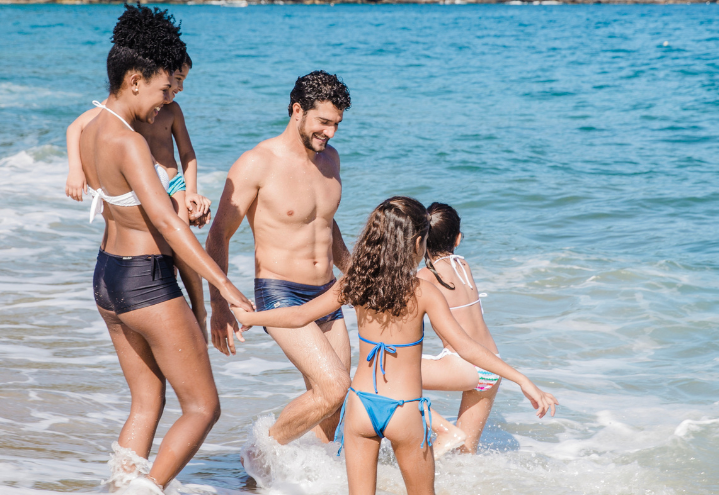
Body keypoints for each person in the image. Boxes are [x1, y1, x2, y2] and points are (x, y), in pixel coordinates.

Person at [230, 197, 559, 495]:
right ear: (417, 243)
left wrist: (250, 317)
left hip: (361, 406)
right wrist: (522, 380)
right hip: (404, 409)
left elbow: (299, 315)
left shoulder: (355, 283)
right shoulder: (423, 292)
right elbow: (467, 348)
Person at [80, 4, 254, 494]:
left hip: (108, 278)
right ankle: (145, 491)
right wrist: (224, 289)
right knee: (203, 407)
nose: (167, 100)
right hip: (146, 281)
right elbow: (167, 225)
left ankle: (120, 488)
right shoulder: (129, 143)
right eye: (163, 89)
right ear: (135, 80)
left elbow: (146, 212)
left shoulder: (92, 129)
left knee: (147, 399)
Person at [204, 71, 353, 450]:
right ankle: (260, 454)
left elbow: (324, 223)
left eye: (337, 124)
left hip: (328, 292)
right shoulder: (257, 163)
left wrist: (353, 272)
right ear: (297, 110)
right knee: (334, 387)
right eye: (324, 122)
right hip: (280, 292)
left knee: (333, 407)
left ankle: (312, 475)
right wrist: (218, 304)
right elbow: (218, 235)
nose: (331, 133)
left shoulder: (330, 160)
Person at [67, 50, 210, 335]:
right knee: (160, 246)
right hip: (145, 184)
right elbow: (76, 126)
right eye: (176, 79)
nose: (179, 87)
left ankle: (199, 308)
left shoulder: (172, 111)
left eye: (182, 81)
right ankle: (172, 303)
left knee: (183, 242)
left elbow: (187, 153)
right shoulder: (132, 109)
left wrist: (191, 192)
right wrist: (75, 170)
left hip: (172, 183)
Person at [416, 202, 501, 455]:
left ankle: (443, 429)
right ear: (458, 239)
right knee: (465, 454)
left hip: (464, 364)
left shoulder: (426, 276)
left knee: (386, 374)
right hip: (492, 365)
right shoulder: (463, 266)